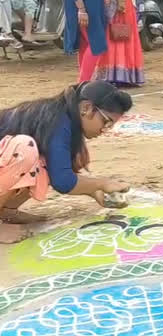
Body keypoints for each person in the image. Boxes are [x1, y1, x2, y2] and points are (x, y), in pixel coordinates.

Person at [0, 81, 132, 243]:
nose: (106, 129)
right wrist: (101, 184)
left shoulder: (67, 120)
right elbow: (63, 182)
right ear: (86, 108)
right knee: (24, 149)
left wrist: (93, 191)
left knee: (44, 160)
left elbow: (61, 172)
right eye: (106, 122)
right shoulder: (56, 120)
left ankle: (7, 211)